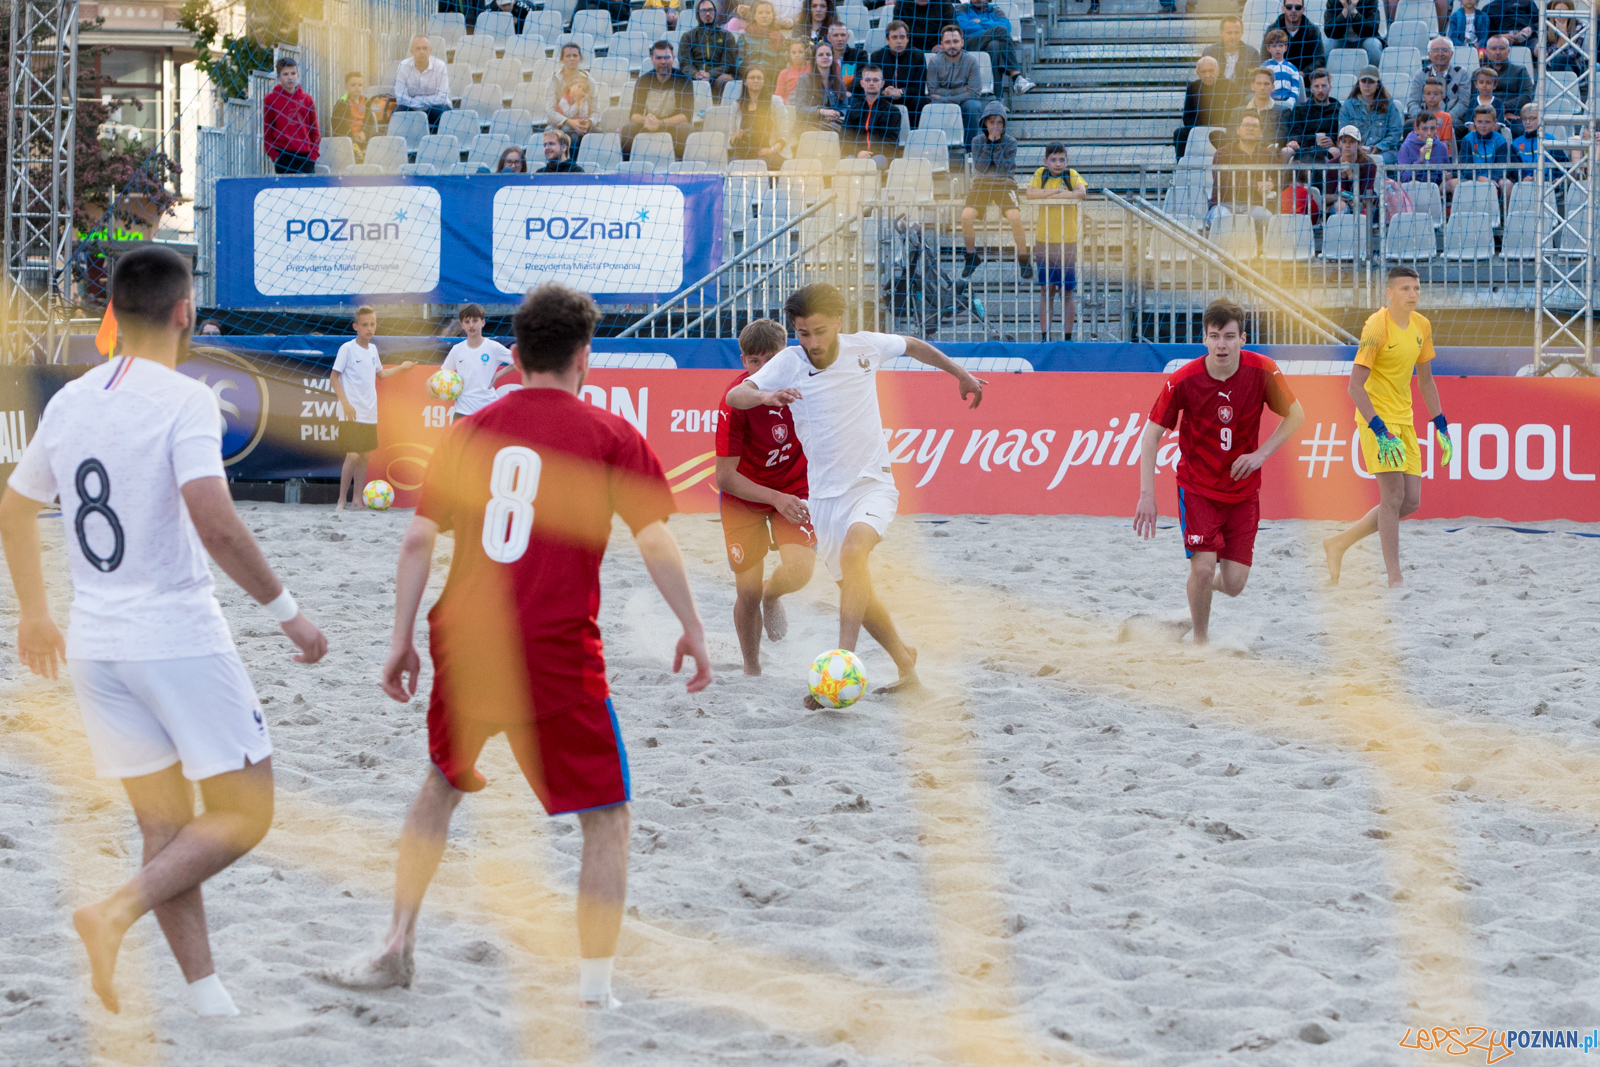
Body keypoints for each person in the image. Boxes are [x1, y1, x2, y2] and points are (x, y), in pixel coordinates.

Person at [323, 284, 711, 1007]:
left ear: (517, 353)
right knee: (606, 814)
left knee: (440, 784)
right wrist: (691, 623)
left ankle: (395, 945)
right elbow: (655, 538)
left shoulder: (474, 428)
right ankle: (595, 987)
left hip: (465, 639)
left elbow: (416, 539)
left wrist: (401, 639)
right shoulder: (611, 434)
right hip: (556, 647)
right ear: (583, 355)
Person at [0, 244, 329, 1017]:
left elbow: (14, 510)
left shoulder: (73, 400)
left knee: (167, 827)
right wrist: (290, 613)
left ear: (113, 312)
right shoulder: (183, 399)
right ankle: (112, 911)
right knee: (246, 810)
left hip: (95, 639)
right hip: (175, 633)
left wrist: (34, 612)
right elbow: (215, 523)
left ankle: (208, 998)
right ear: (186, 312)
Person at [725, 283, 985, 705]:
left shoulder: (865, 347)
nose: (812, 342)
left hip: (871, 484)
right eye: (803, 333)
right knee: (857, 591)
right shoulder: (788, 362)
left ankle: (843, 660)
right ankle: (905, 662)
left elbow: (915, 345)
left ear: (840, 323)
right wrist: (765, 394)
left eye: (820, 331)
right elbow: (736, 395)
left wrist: (962, 374)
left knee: (854, 555)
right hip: (825, 500)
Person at [1133, 299, 1304, 646]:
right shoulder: (1184, 379)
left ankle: (1193, 597)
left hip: (1243, 491)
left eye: (1229, 336)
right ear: (1205, 339)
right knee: (1203, 567)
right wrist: (1146, 495)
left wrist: (1261, 454)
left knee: (1235, 584)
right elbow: (1150, 435)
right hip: (1197, 487)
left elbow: (1297, 415)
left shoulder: (1263, 370)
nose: (1222, 344)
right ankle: (1200, 641)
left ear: (1243, 337)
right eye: (1215, 336)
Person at [1322, 267, 1451, 589]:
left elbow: (1425, 380)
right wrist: (1380, 429)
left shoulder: (1422, 325)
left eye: (1417, 288)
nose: (1413, 294)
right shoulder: (1377, 325)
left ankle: (1338, 543)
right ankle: (1395, 577)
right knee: (1392, 497)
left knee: (1411, 502)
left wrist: (1441, 425)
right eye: (1405, 288)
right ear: (1389, 293)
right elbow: (1354, 386)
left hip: (1404, 420)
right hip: (1377, 421)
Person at [715, 319, 818, 675]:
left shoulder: (809, 384)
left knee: (801, 572)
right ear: (743, 361)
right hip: (746, 496)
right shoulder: (735, 401)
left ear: (786, 355)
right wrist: (775, 498)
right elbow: (725, 478)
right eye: (753, 361)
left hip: (794, 488)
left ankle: (773, 593)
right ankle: (752, 669)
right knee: (747, 593)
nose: (762, 369)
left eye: (770, 359)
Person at [331, 306, 415, 512]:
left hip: (369, 411)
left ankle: (357, 499)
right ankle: (342, 499)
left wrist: (401, 368)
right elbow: (334, 378)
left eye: (373, 324)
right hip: (351, 411)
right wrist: (346, 404)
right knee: (352, 455)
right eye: (365, 325)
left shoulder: (373, 350)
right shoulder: (347, 349)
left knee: (365, 455)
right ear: (356, 327)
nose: (369, 329)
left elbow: (381, 374)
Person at [1025, 143, 1087, 342]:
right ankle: (1045, 336)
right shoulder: (1041, 174)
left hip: (1067, 240)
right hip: (1044, 240)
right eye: (1053, 159)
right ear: (1046, 161)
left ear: (1067, 161)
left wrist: (1061, 193)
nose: (1058, 164)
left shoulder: (1071, 175)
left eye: (1061, 159)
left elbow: (1081, 193)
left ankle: (1067, 337)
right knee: (1046, 289)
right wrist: (1055, 193)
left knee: (1067, 290)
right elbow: (1030, 193)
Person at [960, 101, 1026, 277]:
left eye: (999, 123)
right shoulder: (977, 141)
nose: (995, 127)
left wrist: (996, 144)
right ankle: (971, 256)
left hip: (1005, 185)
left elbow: (1003, 168)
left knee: (1015, 217)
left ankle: (1024, 257)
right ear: (985, 124)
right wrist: (990, 143)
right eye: (991, 123)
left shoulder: (1011, 142)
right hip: (982, 185)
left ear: (1004, 124)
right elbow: (981, 167)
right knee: (966, 216)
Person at [441, 304, 516, 420]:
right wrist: (443, 388)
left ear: (483, 322)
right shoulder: (457, 349)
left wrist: (498, 375)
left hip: (487, 410)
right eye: (467, 321)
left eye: (475, 321)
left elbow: (518, 361)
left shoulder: (493, 347)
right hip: (462, 411)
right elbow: (443, 374)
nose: (471, 325)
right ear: (462, 325)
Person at [623, 42, 696, 157]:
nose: (663, 61)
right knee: (627, 130)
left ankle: (678, 166)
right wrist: (646, 120)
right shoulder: (644, 80)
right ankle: (628, 166)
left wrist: (661, 123)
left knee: (686, 129)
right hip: (648, 125)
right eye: (659, 58)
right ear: (652, 59)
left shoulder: (684, 80)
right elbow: (634, 114)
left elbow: (686, 116)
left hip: (673, 126)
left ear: (673, 58)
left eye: (667, 57)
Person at [1210, 112, 1282, 225]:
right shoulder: (1223, 152)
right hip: (1224, 205)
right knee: (1222, 219)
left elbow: (1285, 175)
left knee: (1268, 219)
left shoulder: (1266, 154)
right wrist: (1256, 185)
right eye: (1246, 125)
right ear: (1238, 130)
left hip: (1253, 205)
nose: (1250, 129)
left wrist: (1272, 183)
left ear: (1260, 132)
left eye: (1254, 126)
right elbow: (1223, 180)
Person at [955, 0, 1033, 95]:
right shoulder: (962, 8)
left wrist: (981, 22)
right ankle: (1016, 77)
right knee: (1000, 31)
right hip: (970, 43)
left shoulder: (995, 10)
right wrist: (991, 29)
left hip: (989, 46)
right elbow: (962, 26)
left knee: (994, 46)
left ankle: (998, 98)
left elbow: (1007, 26)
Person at [928, 24, 984, 148]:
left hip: (965, 101)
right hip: (950, 100)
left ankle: (970, 151)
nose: (952, 46)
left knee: (973, 106)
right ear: (941, 43)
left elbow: (974, 93)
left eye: (955, 41)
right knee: (934, 107)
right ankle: (937, 150)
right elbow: (932, 90)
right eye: (948, 42)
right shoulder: (934, 61)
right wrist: (962, 90)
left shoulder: (971, 61)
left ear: (962, 42)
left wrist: (944, 97)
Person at [263, 58, 320, 175]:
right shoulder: (271, 99)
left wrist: (312, 157)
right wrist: (275, 157)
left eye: (293, 73)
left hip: (305, 157)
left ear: (297, 75)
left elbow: (315, 132)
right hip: (283, 156)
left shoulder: (307, 99)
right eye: (285, 74)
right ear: (278, 77)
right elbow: (267, 132)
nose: (290, 77)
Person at [1339, 66, 1403, 162]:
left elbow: (1395, 133)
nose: (1367, 85)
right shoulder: (1348, 107)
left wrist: (1378, 147)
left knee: (1379, 160)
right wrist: (1358, 149)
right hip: (1355, 151)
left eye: (1371, 82)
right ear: (1359, 83)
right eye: (1364, 81)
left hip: (1384, 151)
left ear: (1377, 85)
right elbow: (1344, 134)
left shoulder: (1389, 105)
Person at [841, 64, 900, 166]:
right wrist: (858, 152)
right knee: (848, 162)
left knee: (873, 163)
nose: (871, 83)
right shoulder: (853, 110)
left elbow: (891, 142)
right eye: (868, 80)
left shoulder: (893, 111)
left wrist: (870, 154)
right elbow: (845, 138)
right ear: (862, 83)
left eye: (875, 80)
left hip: (881, 155)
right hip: (857, 155)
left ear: (882, 83)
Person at [870, 20, 929, 120]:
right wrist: (887, 91)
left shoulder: (918, 56)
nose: (899, 41)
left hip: (908, 98)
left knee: (920, 101)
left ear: (907, 39)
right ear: (887, 40)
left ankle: (915, 131)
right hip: (886, 97)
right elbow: (873, 83)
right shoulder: (877, 56)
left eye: (902, 37)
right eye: (894, 37)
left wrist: (900, 92)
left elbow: (919, 89)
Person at [1280, 67, 1341, 163]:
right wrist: (1294, 141)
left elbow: (1340, 134)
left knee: (1335, 151)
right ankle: (1283, 177)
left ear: (1330, 87)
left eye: (1324, 86)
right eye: (1317, 86)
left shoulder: (1338, 110)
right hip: (1303, 147)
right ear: (1311, 89)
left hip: (1326, 149)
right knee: (1286, 151)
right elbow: (1295, 130)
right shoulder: (1300, 109)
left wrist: (1333, 142)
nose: (1320, 90)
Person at [681, 0, 741, 94]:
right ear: (698, 14)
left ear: (715, 12)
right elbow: (685, 63)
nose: (708, 13)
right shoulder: (688, 36)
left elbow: (727, 64)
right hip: (694, 76)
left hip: (718, 76)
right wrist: (696, 74)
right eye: (704, 11)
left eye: (710, 10)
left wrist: (709, 75)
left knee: (725, 79)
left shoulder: (726, 36)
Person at [394, 34, 452, 133]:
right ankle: (406, 143)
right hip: (412, 108)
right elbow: (400, 97)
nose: (422, 52)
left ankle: (437, 142)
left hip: (435, 108)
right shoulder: (403, 66)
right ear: (412, 51)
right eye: (418, 49)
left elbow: (442, 97)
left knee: (440, 111)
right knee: (400, 111)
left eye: (425, 48)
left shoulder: (440, 66)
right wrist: (421, 104)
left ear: (430, 50)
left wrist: (417, 101)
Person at [730, 66, 787, 163]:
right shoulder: (737, 105)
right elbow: (730, 140)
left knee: (759, 164)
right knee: (734, 164)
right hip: (743, 153)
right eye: (752, 77)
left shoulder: (776, 101)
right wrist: (736, 136)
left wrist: (771, 150)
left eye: (759, 78)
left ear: (764, 81)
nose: (756, 80)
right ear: (744, 81)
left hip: (771, 153)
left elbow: (784, 135)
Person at [1176, 57, 1228, 161]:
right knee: (1180, 133)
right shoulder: (1193, 87)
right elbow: (1188, 116)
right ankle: (1180, 169)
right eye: (1204, 72)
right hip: (1199, 128)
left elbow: (1234, 114)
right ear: (1198, 73)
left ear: (1218, 70)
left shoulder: (1230, 86)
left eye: (1211, 71)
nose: (1208, 75)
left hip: (1223, 128)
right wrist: (1199, 130)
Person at [1203, 16, 1263, 106]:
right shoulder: (1209, 52)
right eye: (1229, 33)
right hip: (1216, 93)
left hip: (1242, 95)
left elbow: (1254, 82)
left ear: (1242, 33)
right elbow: (1204, 78)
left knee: (1252, 98)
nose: (1233, 36)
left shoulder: (1252, 53)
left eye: (1236, 32)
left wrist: (1236, 93)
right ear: (1221, 33)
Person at [1408, 37, 1470, 123]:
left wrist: (1445, 118)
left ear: (1451, 54)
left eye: (1444, 50)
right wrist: (1423, 118)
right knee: (1409, 124)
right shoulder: (1420, 74)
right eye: (1436, 50)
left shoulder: (1461, 73)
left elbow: (1463, 103)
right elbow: (1413, 102)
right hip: (1424, 120)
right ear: (1429, 54)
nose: (1440, 54)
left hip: (1450, 120)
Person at [793, 41, 850, 131]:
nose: (825, 57)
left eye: (828, 54)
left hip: (833, 124)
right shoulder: (804, 80)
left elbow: (844, 107)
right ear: (814, 59)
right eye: (820, 55)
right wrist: (821, 111)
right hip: (808, 124)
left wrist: (836, 114)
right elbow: (800, 109)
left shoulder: (840, 83)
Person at [548, 42, 597, 146]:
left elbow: (596, 111)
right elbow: (550, 112)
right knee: (570, 135)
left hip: (584, 122)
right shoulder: (553, 81)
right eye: (568, 56)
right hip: (562, 124)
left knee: (600, 134)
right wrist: (569, 121)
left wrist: (589, 122)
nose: (572, 59)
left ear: (580, 59)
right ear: (561, 59)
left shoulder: (589, 81)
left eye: (575, 55)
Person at [1459, 104, 1513, 199]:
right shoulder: (1467, 140)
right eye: (1479, 122)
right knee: (1453, 184)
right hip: (1473, 177)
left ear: (1495, 122)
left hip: (1494, 178)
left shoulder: (1500, 140)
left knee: (1507, 185)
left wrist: (1491, 180)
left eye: (1487, 122)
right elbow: (1464, 167)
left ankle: (1504, 213)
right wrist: (1479, 178)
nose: (1483, 126)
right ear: (1474, 121)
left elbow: (1500, 167)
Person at [1484, 35, 1534, 136]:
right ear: (1487, 51)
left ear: (1508, 51)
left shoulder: (1520, 71)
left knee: (1519, 131)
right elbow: (1474, 96)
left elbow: (1527, 96)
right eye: (1493, 48)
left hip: (1514, 114)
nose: (1498, 52)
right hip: (1485, 114)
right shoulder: (1480, 73)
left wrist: (1504, 107)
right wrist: (1498, 112)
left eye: (1502, 48)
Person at [1322, 124, 1377, 213]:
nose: (1347, 145)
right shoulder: (1331, 165)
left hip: (1361, 205)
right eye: (1344, 141)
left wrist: (1351, 176)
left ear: (1358, 144)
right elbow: (1327, 197)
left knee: (1355, 206)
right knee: (1340, 205)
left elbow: (1364, 196)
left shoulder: (1369, 165)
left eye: (1351, 141)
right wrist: (1342, 180)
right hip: (1337, 204)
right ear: (1339, 143)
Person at [1397, 111, 1457, 192]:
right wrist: (1420, 161)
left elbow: (1448, 172)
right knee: (1416, 184)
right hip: (1416, 186)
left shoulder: (1442, 147)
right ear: (1417, 130)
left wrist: (1446, 176)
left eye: (1432, 128)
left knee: (1456, 183)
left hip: (1437, 186)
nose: (1429, 133)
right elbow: (1403, 178)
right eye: (1424, 129)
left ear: (1436, 129)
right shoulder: (1406, 147)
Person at [1264, 0, 1325, 79]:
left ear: (1303, 10)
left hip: (1305, 80)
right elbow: (1264, 56)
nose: (1293, 10)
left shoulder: (1312, 30)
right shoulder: (1272, 29)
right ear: (1283, 9)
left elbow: (1320, 59)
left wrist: (1303, 73)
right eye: (1289, 7)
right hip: (1277, 77)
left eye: (1298, 7)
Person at [1510, 103, 1566, 184]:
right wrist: (1522, 178)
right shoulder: (1516, 143)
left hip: (1549, 183)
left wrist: (1558, 178)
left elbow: (1562, 162)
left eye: (1532, 118)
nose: (1528, 122)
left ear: (1541, 119)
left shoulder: (1550, 140)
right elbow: (1514, 169)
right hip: (1525, 185)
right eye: (1524, 119)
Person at [740, 0, 790, 84]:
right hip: (747, 76)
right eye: (760, 13)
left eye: (768, 13)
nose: (764, 16)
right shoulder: (744, 36)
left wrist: (764, 72)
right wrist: (752, 71)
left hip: (770, 78)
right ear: (754, 16)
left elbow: (781, 63)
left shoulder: (779, 37)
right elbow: (739, 61)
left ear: (773, 16)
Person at [1229, 67, 1283, 146]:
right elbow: (1231, 135)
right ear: (1252, 86)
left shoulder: (1283, 111)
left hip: (1268, 152)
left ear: (1273, 87)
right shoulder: (1237, 112)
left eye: (1266, 84)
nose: (1262, 87)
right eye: (1258, 83)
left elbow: (1280, 138)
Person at [1322, 0, 1382, 68]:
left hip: (1363, 39)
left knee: (1373, 45)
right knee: (1326, 44)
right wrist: (1345, 11)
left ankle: (1374, 75)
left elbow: (1371, 30)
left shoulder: (1369, 1)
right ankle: (1323, 75)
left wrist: (1353, 10)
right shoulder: (1333, 2)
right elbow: (1329, 31)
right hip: (1341, 40)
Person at [330, 71, 371, 162]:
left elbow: (370, 122)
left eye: (360, 85)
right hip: (348, 138)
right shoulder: (342, 103)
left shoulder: (367, 102)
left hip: (364, 137)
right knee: (356, 156)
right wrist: (353, 136)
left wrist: (364, 132)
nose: (357, 88)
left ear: (363, 87)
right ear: (346, 88)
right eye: (353, 85)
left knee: (379, 138)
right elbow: (337, 126)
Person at [1261, 29, 1305, 109]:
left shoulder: (1292, 68)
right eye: (1274, 46)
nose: (1277, 49)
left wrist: (1290, 102)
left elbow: (1295, 88)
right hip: (1268, 105)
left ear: (1286, 47)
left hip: (1287, 105)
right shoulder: (1263, 68)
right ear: (1268, 48)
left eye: (1281, 46)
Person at [1455, 64, 1503, 131]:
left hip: (1492, 136)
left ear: (1494, 85)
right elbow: (1470, 123)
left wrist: (1488, 134)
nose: (1484, 85)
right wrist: (1476, 136)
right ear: (1476, 84)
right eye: (1481, 82)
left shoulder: (1498, 102)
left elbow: (1498, 124)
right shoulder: (1473, 102)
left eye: (1488, 83)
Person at [551, 78, 594, 150]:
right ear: (570, 86)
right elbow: (570, 114)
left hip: (579, 125)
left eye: (583, 90)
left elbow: (583, 115)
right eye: (579, 87)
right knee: (571, 135)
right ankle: (572, 158)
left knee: (596, 130)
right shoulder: (563, 100)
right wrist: (577, 102)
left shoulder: (582, 99)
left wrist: (582, 102)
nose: (581, 91)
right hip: (566, 125)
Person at [825, 23, 869, 89]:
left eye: (843, 35)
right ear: (829, 38)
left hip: (852, 95)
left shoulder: (860, 55)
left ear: (848, 37)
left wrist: (846, 93)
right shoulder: (823, 56)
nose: (840, 39)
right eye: (835, 35)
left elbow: (860, 78)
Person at [1418, 76, 1455, 142]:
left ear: (1442, 97)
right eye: (1428, 94)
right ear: (1423, 96)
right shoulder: (1419, 117)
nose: (1432, 97)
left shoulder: (1447, 117)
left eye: (1436, 94)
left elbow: (1446, 143)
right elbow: (1417, 139)